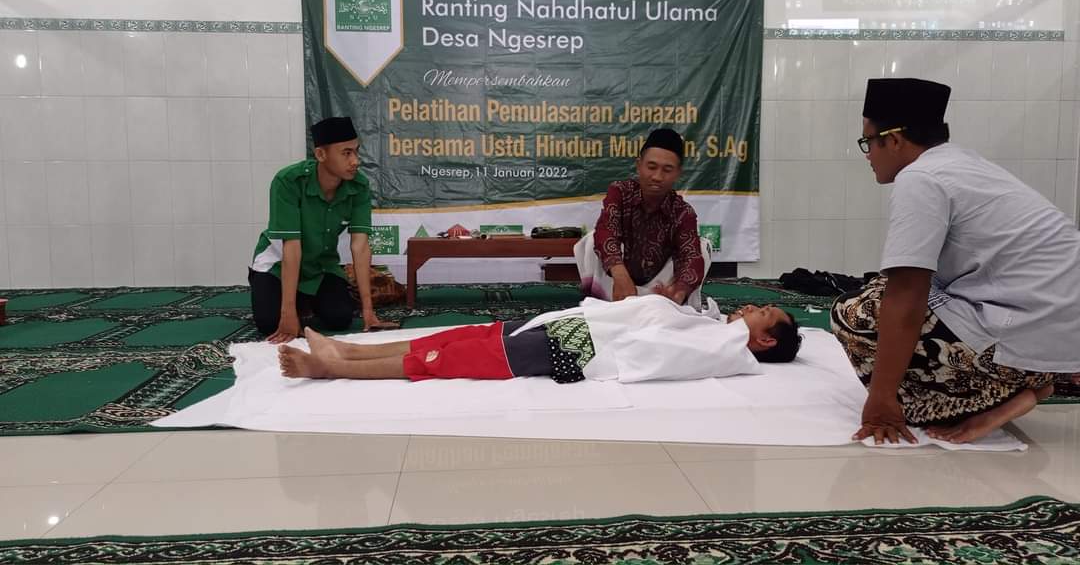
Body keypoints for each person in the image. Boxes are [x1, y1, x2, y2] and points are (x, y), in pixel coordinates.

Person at [833, 77, 1080, 445]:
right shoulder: (963, 162)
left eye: (868, 142)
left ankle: (985, 399)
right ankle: (1028, 386)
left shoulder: (920, 178)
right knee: (884, 289)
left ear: (894, 139)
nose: (868, 154)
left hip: (1025, 339)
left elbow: (907, 293)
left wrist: (881, 399)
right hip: (1061, 342)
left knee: (853, 314)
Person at [278, 297, 802, 383]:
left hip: (579, 347)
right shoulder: (717, 327)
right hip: (575, 324)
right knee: (460, 334)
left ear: (763, 342)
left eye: (761, 314)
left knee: (450, 358)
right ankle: (349, 349)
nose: (751, 308)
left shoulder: (725, 346)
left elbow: (657, 352)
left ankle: (331, 367)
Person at [249, 116, 398, 344]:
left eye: (356, 152)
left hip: (320, 266)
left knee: (340, 318)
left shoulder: (359, 186)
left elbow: (360, 246)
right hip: (277, 265)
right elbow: (291, 247)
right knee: (269, 322)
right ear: (321, 155)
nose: (355, 161)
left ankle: (304, 301)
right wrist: (287, 313)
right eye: (346, 153)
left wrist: (368, 311)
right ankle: (291, 300)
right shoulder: (288, 181)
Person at [575, 128, 711, 310]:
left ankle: (673, 309)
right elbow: (606, 230)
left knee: (701, 249)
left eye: (667, 170)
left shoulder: (683, 212)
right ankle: (600, 303)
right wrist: (619, 273)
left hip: (659, 289)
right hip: (616, 280)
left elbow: (691, 256)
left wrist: (678, 292)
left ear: (678, 173)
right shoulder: (620, 192)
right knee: (594, 239)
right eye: (651, 167)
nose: (657, 177)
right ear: (639, 165)